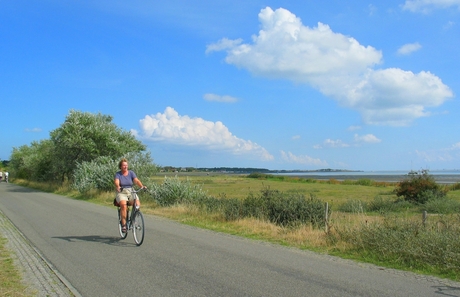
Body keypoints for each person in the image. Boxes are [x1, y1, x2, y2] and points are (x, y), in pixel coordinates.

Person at [114, 158, 146, 233]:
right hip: (122, 191)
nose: (125, 167)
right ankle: (124, 224)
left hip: (131, 190)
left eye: (126, 165)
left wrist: (141, 186)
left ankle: (134, 220)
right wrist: (118, 186)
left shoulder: (131, 173)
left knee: (137, 204)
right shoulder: (118, 174)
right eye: (124, 165)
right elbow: (116, 181)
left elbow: (136, 180)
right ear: (120, 166)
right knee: (123, 205)